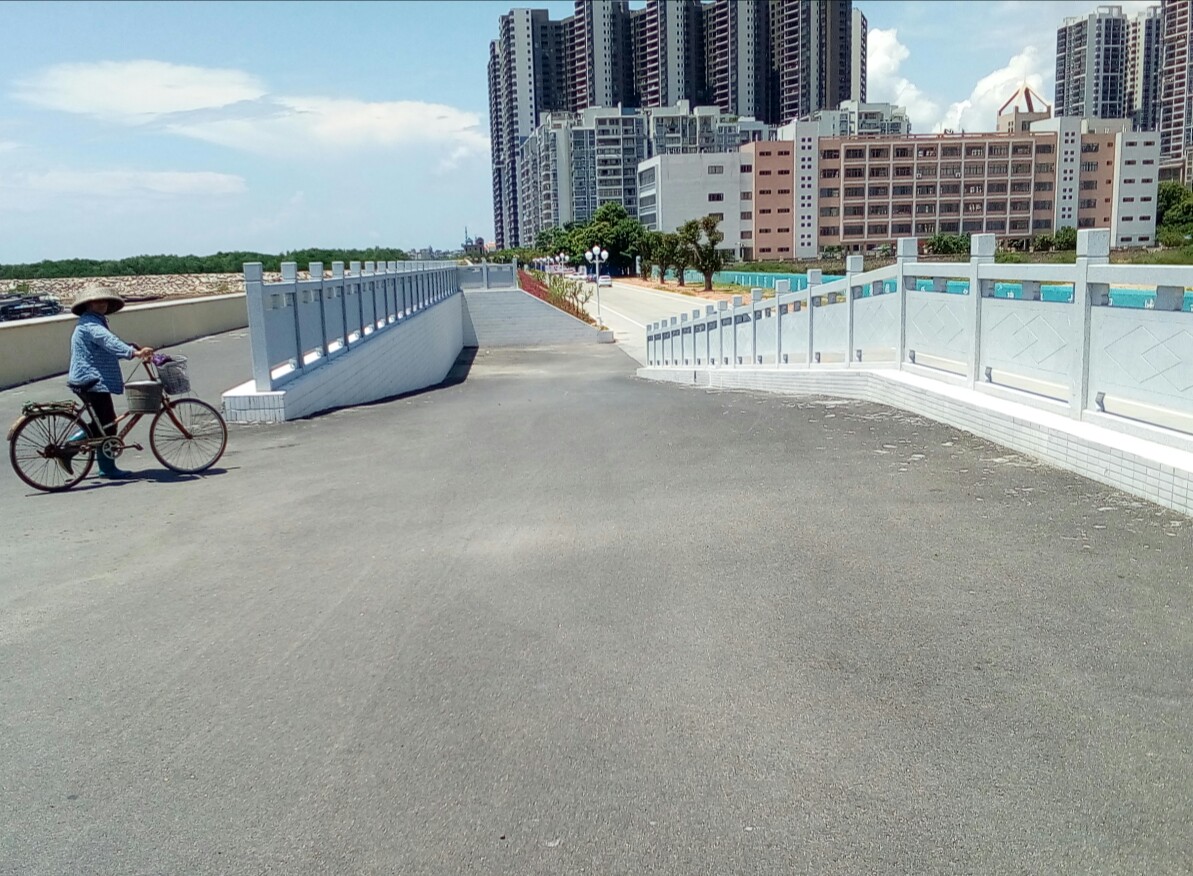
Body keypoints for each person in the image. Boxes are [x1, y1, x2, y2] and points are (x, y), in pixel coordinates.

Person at [66, 284, 154, 479]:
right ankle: (76, 452)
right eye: (97, 301)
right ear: (88, 304)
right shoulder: (90, 324)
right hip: (90, 379)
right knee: (107, 424)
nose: (102, 304)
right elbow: (107, 341)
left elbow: (107, 343)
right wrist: (134, 353)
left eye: (104, 301)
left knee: (104, 422)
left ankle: (87, 456)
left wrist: (130, 347)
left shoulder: (93, 321)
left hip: (89, 378)